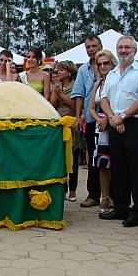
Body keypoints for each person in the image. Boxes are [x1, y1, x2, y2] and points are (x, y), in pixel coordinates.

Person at [99, 35, 138, 227]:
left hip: (136, 125)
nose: (123, 51)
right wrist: (114, 117)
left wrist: (122, 116)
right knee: (118, 169)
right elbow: (104, 99)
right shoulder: (112, 74)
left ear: (135, 50)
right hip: (115, 124)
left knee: (137, 170)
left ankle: (137, 212)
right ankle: (121, 208)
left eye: (127, 47)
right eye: (120, 47)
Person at [70, 35, 103, 208]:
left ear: (100, 46)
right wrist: (78, 116)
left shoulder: (110, 66)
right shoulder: (83, 70)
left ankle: (110, 195)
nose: (91, 49)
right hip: (91, 119)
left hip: (109, 119)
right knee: (92, 158)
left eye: (94, 46)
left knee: (109, 158)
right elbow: (78, 95)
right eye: (88, 47)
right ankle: (93, 194)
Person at [88, 50, 117, 213]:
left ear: (113, 63)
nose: (103, 66)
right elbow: (91, 107)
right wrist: (99, 119)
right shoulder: (97, 84)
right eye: (100, 64)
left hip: (116, 123)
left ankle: (117, 196)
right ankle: (104, 197)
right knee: (102, 164)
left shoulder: (119, 81)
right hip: (101, 129)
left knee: (116, 163)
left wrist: (109, 117)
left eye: (106, 63)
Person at [50, 60, 78, 202]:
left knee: (72, 158)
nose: (58, 72)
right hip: (59, 124)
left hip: (72, 124)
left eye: (61, 70)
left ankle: (73, 190)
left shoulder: (76, 85)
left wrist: (61, 94)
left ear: (69, 72)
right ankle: (63, 188)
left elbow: (75, 105)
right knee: (60, 158)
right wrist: (56, 92)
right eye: (57, 70)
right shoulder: (57, 85)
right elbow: (52, 105)